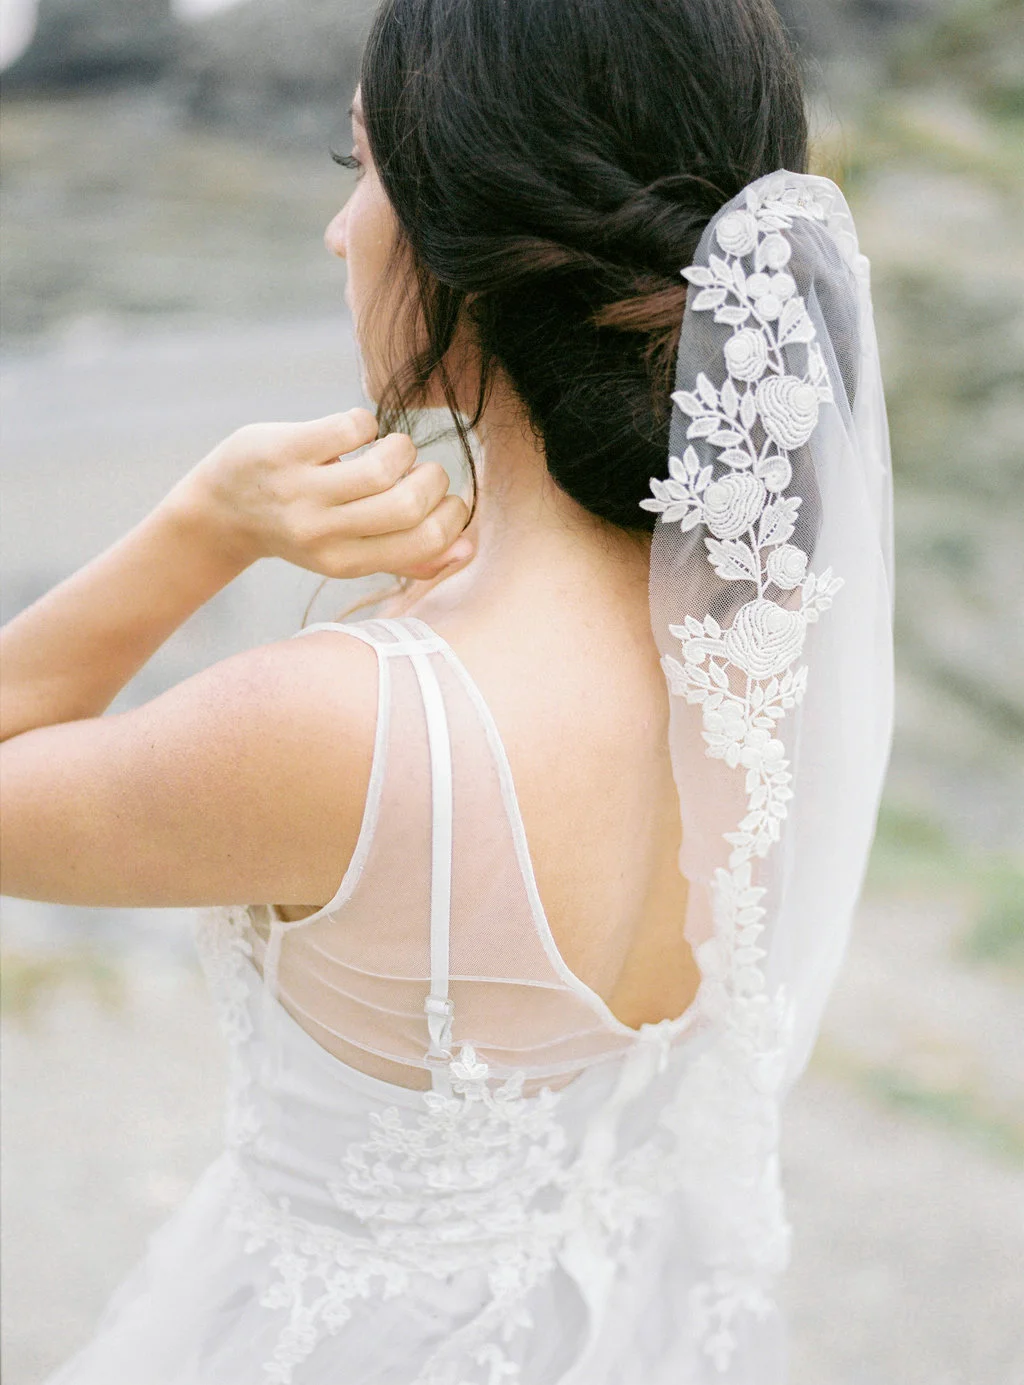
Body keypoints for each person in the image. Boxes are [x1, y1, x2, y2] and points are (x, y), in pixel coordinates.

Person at [0, 1, 894, 1381]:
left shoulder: (346, 722)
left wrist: (202, 523)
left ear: (458, 234)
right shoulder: (764, 654)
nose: (339, 230)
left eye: (358, 171)